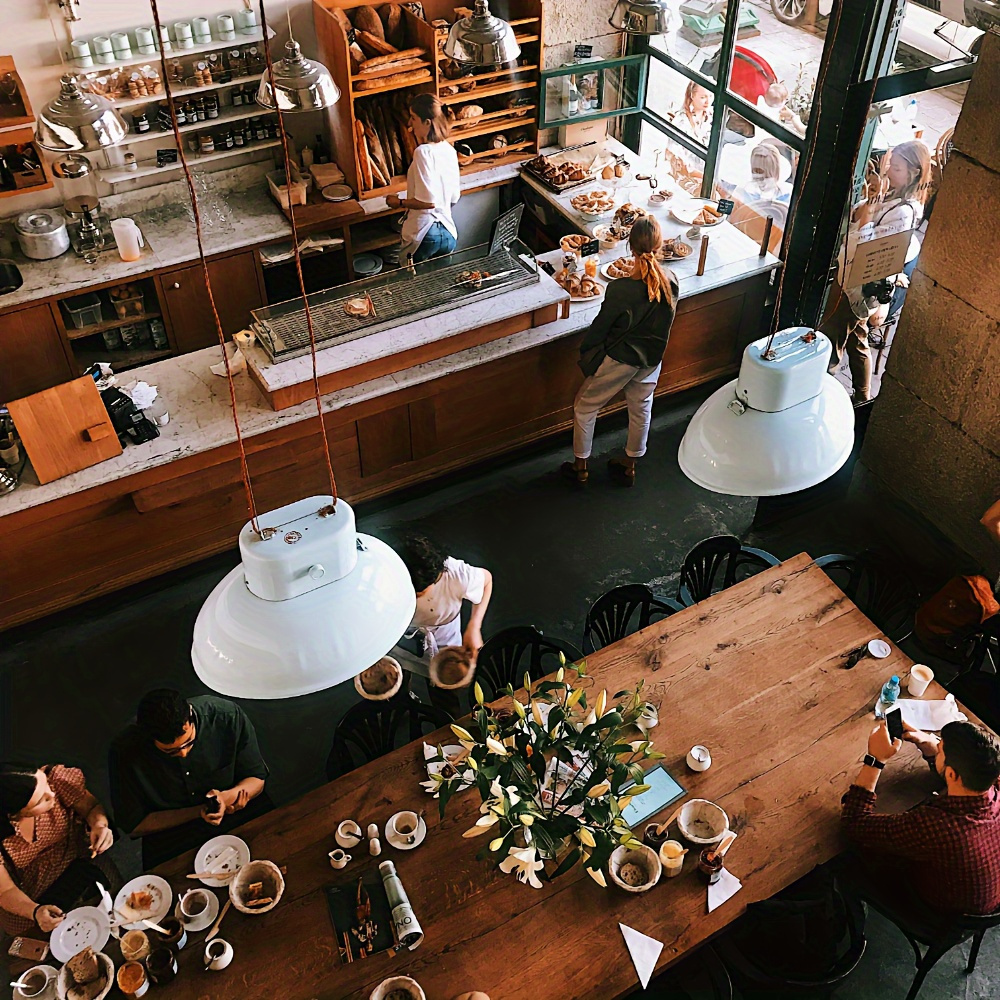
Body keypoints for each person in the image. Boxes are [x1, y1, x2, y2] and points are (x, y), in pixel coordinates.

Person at [562, 217, 679, 487]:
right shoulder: (671, 280)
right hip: (652, 359)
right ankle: (629, 466)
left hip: (621, 360)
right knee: (641, 409)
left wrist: (588, 354)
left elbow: (600, 328)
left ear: (630, 247)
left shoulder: (620, 289)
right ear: (660, 245)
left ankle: (580, 467)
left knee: (584, 407)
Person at [840, 718, 1000, 915]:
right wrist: (928, 746)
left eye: (940, 748)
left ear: (951, 774)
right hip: (988, 899)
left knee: (846, 860)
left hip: (938, 910)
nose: (937, 745)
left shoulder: (938, 825)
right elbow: (960, 780)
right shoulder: (992, 783)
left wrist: (875, 760)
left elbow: (854, 823)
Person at [109, 690, 271, 869]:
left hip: (235, 811)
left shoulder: (225, 716)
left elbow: (256, 778)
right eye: (171, 752)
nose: (184, 754)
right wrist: (199, 811)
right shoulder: (125, 751)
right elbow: (134, 824)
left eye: (189, 743)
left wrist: (227, 798)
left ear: (191, 717)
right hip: (173, 832)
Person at [0, 763, 115, 936]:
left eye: (46, 785)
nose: (52, 794)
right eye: (41, 800)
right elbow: (6, 891)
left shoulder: (56, 781)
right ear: (15, 815)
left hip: (80, 862)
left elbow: (92, 807)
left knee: (116, 911)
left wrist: (99, 825)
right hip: (31, 896)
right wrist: (35, 911)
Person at [392, 535, 493, 714]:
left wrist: (474, 626)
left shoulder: (457, 575)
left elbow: (486, 581)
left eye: (418, 593)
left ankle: (445, 720)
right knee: (398, 677)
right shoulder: (388, 578)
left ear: (436, 579)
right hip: (402, 638)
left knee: (445, 695)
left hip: (443, 641)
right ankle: (404, 700)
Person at [386, 94, 461, 263]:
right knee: (441, 284)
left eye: (413, 118)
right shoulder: (449, 149)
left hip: (426, 234)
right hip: (448, 232)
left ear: (427, 122)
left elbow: (428, 202)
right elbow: (454, 197)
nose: (409, 124)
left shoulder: (423, 152)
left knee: (415, 285)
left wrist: (398, 202)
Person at [865, 140, 932, 321]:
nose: (888, 172)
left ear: (914, 173)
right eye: (890, 165)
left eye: (896, 169)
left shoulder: (903, 211)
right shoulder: (892, 191)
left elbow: (875, 249)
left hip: (885, 271)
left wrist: (868, 210)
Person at [670, 82, 712, 146]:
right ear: (692, 96)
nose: (708, 102)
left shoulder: (710, 114)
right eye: (703, 97)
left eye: (711, 96)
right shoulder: (682, 121)